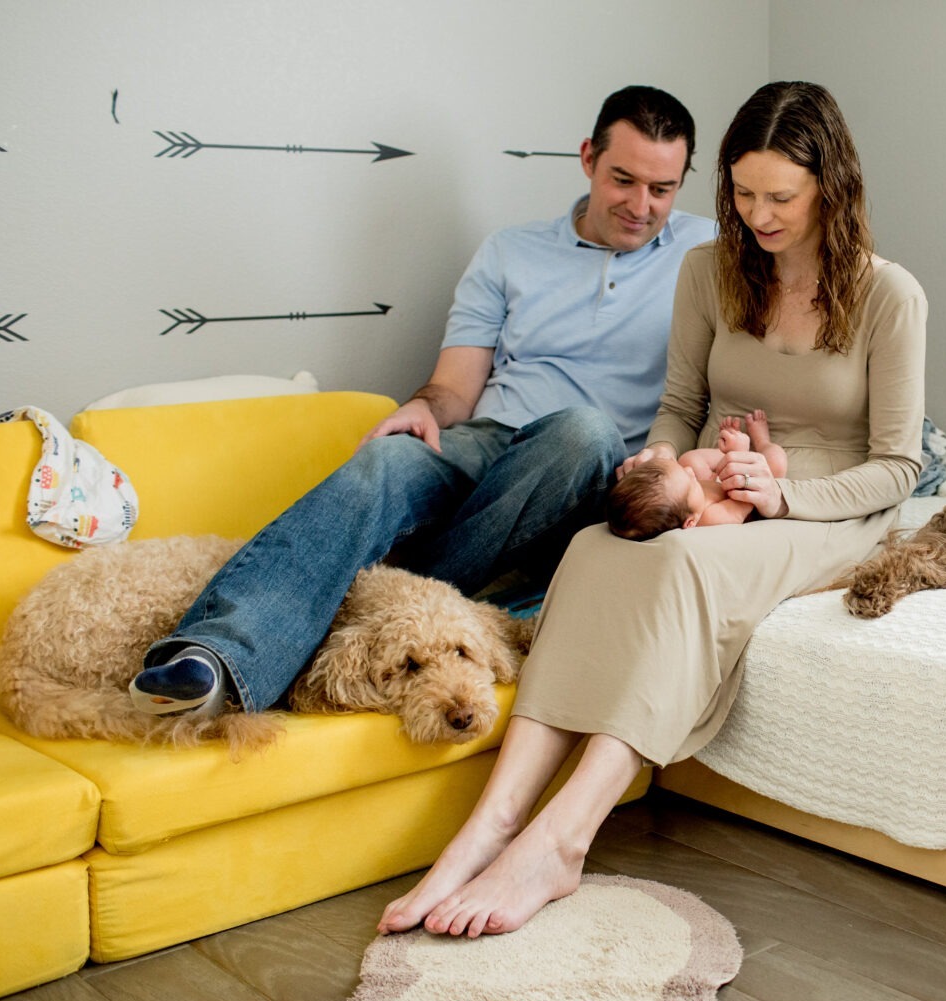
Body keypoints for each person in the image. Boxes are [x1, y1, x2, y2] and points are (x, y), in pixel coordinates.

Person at [379, 81, 927, 939]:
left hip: (825, 504)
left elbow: (899, 464)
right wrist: (664, 461)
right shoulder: (709, 269)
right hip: (711, 481)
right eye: (742, 194)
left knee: (678, 566)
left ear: (832, 186)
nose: (759, 215)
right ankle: (490, 822)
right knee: (596, 551)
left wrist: (784, 495)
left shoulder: (889, 296)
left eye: (780, 196)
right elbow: (679, 401)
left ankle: (561, 839)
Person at [127, 86, 716, 717]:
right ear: (588, 160)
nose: (640, 206)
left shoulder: (707, 254)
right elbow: (455, 388)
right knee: (383, 463)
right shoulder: (510, 251)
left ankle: (378, 606)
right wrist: (424, 408)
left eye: (662, 189)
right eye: (623, 180)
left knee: (583, 431)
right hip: (489, 442)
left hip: (593, 472)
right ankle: (212, 661)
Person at [605, 409, 787, 539]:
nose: (689, 472)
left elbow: (688, 475)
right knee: (777, 461)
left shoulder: (684, 501)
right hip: (748, 493)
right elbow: (745, 499)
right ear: (690, 522)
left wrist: (692, 477)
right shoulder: (711, 519)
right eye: (689, 480)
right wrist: (741, 453)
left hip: (717, 485)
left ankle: (728, 447)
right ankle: (761, 442)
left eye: (682, 472)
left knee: (689, 459)